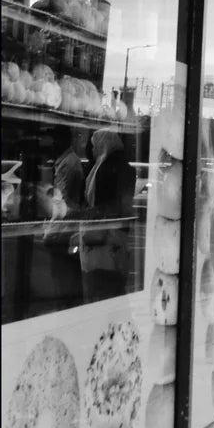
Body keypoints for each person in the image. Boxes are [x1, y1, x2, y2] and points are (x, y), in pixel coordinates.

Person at [79, 129, 136, 303]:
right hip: (119, 236)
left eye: (95, 147)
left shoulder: (104, 169)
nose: (93, 151)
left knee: (99, 285)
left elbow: (103, 204)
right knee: (116, 284)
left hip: (102, 237)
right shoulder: (127, 169)